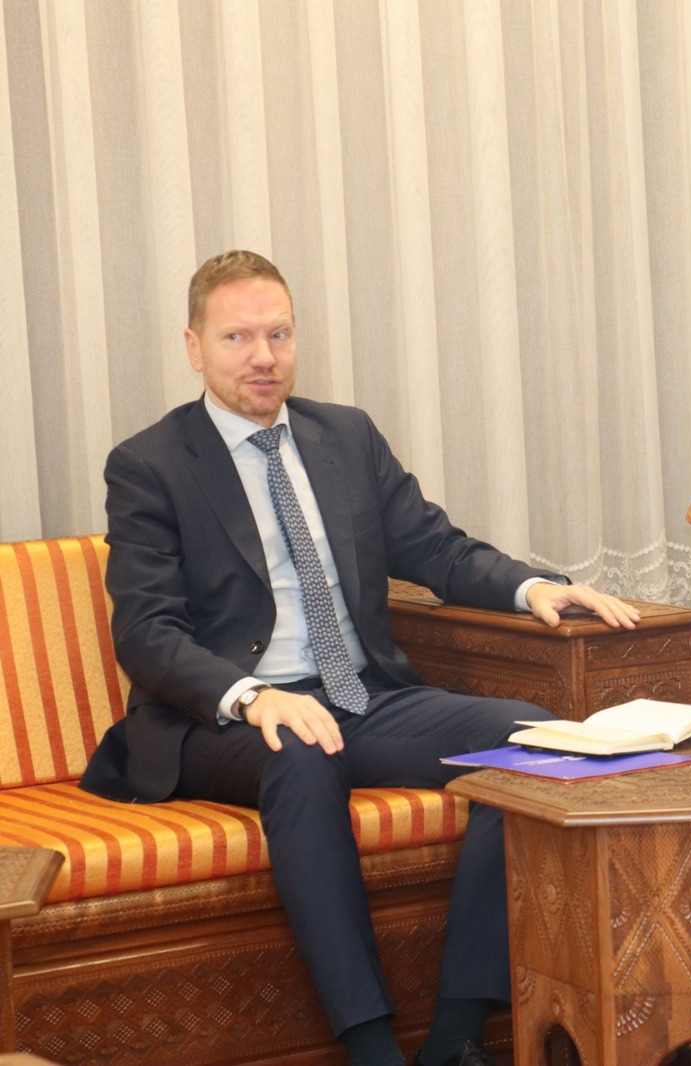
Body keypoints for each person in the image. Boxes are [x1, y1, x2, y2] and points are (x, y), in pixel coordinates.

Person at [79, 250, 641, 1066]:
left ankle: (455, 1033)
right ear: (194, 347)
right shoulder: (151, 465)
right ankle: (372, 1047)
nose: (263, 356)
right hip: (225, 720)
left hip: (359, 697)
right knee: (300, 751)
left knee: (534, 742)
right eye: (237, 337)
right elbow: (147, 631)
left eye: (279, 334)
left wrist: (534, 590)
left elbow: (436, 549)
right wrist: (254, 697)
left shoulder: (343, 435)